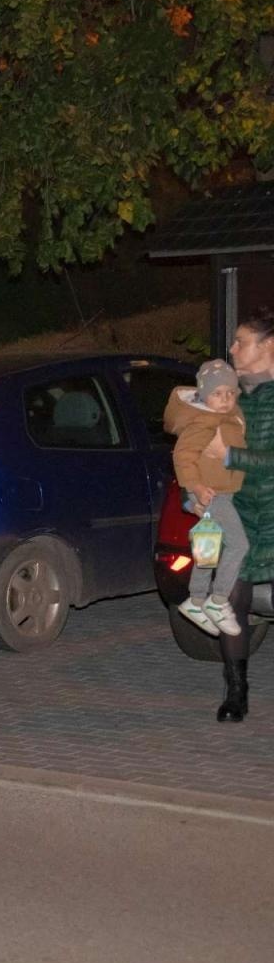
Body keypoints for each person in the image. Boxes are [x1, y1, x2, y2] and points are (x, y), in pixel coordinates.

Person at [201, 310, 274, 723]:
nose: (231, 348)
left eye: (241, 341)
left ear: (267, 345)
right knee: (230, 600)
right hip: (241, 514)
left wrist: (228, 455)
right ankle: (236, 692)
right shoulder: (231, 399)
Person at [168, 359, 248, 637]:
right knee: (239, 544)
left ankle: (196, 599)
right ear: (204, 395)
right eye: (217, 393)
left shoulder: (230, 417)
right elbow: (183, 456)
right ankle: (218, 599)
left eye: (230, 393)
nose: (225, 399)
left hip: (221, 491)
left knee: (208, 546)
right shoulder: (204, 421)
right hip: (212, 492)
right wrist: (197, 488)